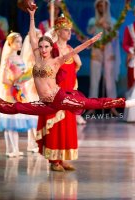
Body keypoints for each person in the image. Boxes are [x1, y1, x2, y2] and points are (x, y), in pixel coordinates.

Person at [0, 5, 135, 125]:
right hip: (46, 103)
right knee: (16, 108)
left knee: (92, 103)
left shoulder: (56, 60)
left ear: (51, 47)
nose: (42, 48)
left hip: (59, 98)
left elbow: (75, 51)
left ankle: (126, 103)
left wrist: (90, 42)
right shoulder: (36, 55)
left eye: (46, 46)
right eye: (41, 46)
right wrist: (33, 15)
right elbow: (32, 36)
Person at [36, 15, 84, 171]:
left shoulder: (70, 49)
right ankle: (53, 161)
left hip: (68, 92)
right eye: (65, 30)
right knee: (56, 126)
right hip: (56, 92)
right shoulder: (53, 48)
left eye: (70, 30)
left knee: (67, 126)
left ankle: (62, 159)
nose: (69, 33)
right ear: (58, 31)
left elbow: (77, 65)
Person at [0, 32, 37, 157]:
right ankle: (10, 149)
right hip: (11, 92)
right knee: (10, 121)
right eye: (17, 42)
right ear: (10, 44)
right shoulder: (7, 59)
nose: (20, 44)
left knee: (15, 120)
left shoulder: (20, 58)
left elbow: (24, 74)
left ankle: (15, 148)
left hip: (20, 91)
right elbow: (3, 79)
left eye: (20, 41)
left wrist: (24, 79)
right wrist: (15, 83)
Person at [86, 0, 120, 116]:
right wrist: (98, 24)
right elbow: (89, 31)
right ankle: (92, 106)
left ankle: (113, 106)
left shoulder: (113, 21)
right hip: (96, 52)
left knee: (110, 81)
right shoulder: (92, 21)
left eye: (104, 5)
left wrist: (108, 27)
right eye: (100, 5)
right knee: (94, 81)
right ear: (97, 7)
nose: (102, 8)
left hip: (109, 52)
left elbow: (116, 35)